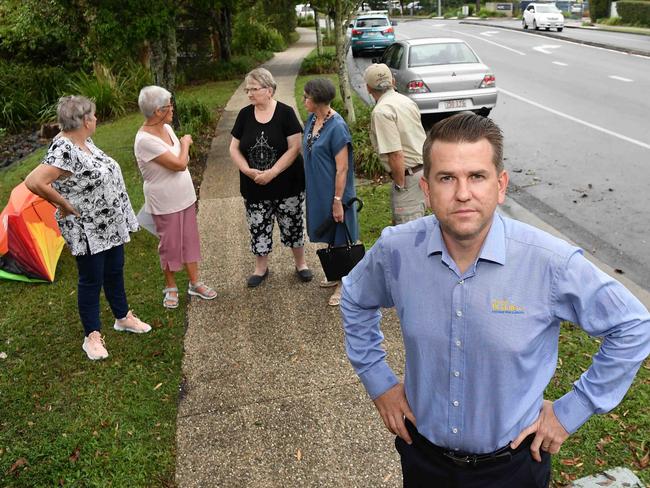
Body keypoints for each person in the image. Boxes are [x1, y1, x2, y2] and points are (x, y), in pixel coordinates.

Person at [341, 113, 650, 487]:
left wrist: (573, 409)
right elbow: (355, 300)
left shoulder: (549, 263)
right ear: (425, 189)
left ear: (500, 185)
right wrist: (380, 383)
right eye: (446, 178)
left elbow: (633, 325)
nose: (462, 193)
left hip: (513, 469)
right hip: (424, 461)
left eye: (476, 176)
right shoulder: (397, 251)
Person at [25, 95, 151, 361]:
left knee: (115, 270)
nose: (96, 119)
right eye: (93, 115)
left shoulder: (83, 142)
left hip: (108, 224)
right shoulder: (64, 148)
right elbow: (34, 181)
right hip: (88, 229)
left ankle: (122, 317)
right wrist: (63, 204)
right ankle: (91, 337)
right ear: (84, 121)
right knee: (91, 280)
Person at [134, 85, 217, 309]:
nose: (173, 109)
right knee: (170, 246)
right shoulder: (144, 140)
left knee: (189, 240)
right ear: (158, 111)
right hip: (165, 202)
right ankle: (170, 287)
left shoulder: (166, 128)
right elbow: (180, 164)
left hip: (185, 196)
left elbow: (179, 162)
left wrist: (181, 146)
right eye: (169, 105)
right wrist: (185, 143)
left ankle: (195, 283)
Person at [229, 67, 313, 287]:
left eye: (254, 89)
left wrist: (273, 172)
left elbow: (294, 148)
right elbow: (234, 148)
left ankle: (301, 264)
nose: (249, 94)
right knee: (258, 226)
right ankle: (261, 268)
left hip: (287, 185)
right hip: (254, 185)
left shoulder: (285, 113)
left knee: (293, 224)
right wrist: (247, 170)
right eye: (247, 89)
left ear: (269, 90)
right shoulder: (244, 115)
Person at [302, 78, 359, 306]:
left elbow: (342, 167)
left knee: (340, 235)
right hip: (318, 188)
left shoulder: (336, 126)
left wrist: (337, 200)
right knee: (327, 232)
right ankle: (335, 273)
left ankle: (344, 284)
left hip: (335, 190)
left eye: (306, 97)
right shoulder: (312, 119)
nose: (304, 100)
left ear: (317, 99)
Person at [364, 63, 427, 225]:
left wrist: (400, 186)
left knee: (410, 236)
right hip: (424, 172)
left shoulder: (382, 111)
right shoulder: (406, 101)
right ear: (392, 81)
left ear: (368, 88)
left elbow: (395, 153)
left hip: (408, 178)